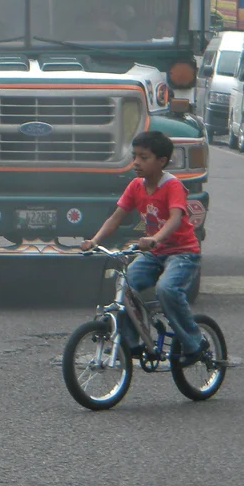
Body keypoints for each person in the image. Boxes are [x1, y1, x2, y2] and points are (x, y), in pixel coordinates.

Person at [79, 130, 209, 367]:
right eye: (134, 156)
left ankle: (194, 343)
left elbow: (175, 218)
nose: (136, 162)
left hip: (182, 253)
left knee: (167, 290)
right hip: (155, 253)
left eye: (144, 157)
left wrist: (155, 238)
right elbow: (115, 218)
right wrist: (94, 241)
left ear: (161, 161)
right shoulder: (135, 186)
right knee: (126, 285)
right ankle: (132, 343)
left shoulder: (172, 186)